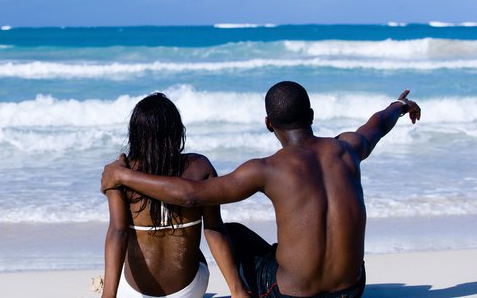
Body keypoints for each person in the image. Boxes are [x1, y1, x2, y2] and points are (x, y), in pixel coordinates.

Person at [102, 82, 421, 298]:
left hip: (292, 294)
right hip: (352, 290)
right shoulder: (348, 148)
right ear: (311, 116)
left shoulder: (266, 169)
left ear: (269, 124)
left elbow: (192, 194)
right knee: (249, 235)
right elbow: (377, 124)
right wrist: (400, 105)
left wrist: (124, 176)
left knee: (236, 235)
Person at [102, 93, 249, 298]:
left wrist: (108, 295)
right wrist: (237, 290)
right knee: (212, 234)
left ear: (134, 134)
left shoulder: (119, 173)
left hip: (133, 293)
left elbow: (118, 233)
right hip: (190, 290)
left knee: (129, 238)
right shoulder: (199, 167)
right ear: (177, 131)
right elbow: (214, 229)